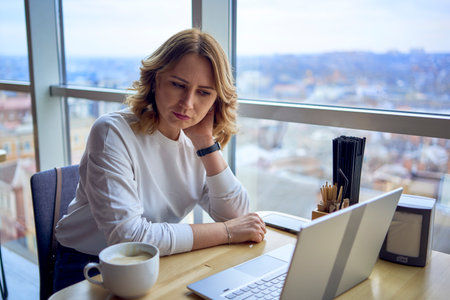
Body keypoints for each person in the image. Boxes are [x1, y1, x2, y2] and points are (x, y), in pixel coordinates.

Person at [53, 28, 266, 292]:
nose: (187, 103)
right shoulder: (112, 132)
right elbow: (129, 238)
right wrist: (227, 232)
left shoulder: (196, 139)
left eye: (204, 92)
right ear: (155, 80)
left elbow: (238, 216)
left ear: (215, 101)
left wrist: (206, 145)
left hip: (158, 260)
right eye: (178, 85)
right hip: (88, 267)